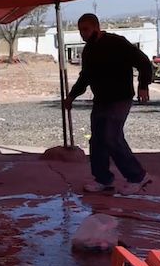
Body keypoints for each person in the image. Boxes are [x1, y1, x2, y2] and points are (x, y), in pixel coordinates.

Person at [65, 13, 153, 195]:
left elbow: (144, 62)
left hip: (120, 98)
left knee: (111, 137)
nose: (83, 34)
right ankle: (103, 179)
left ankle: (137, 176)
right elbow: (85, 77)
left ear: (96, 27)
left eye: (86, 29)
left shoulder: (117, 43)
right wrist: (71, 96)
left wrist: (143, 86)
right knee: (97, 139)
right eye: (80, 30)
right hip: (101, 100)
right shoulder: (88, 50)